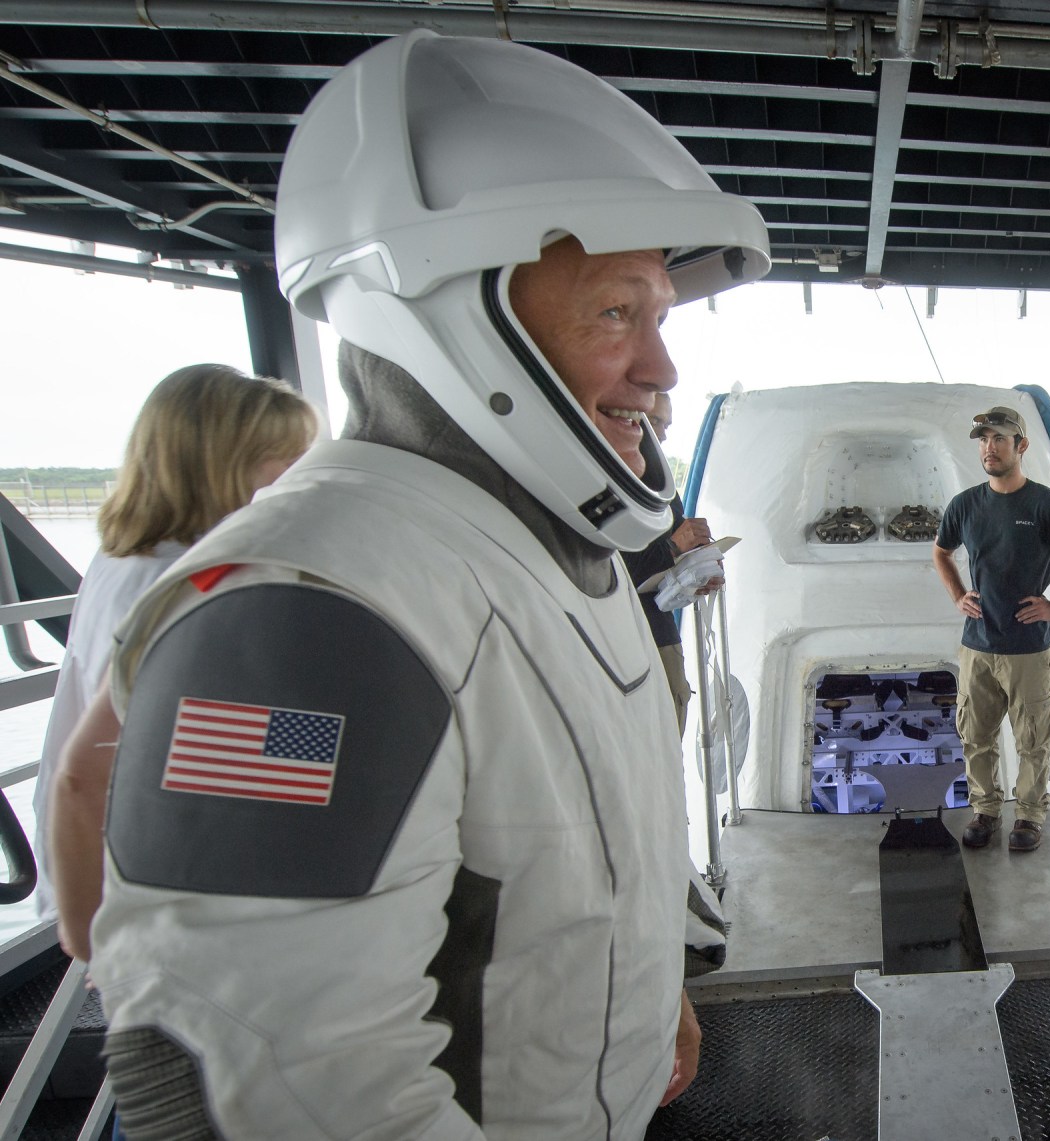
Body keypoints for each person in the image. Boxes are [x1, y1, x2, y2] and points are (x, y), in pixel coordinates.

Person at [81, 30, 770, 1137]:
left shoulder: (534, 552)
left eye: (659, 315)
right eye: (613, 313)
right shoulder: (307, 616)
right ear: (451, 315)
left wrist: (646, 994)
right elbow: (243, 1075)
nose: (661, 368)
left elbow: (552, 863)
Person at [39, 364, 317, 944]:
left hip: (122, 868)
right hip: (151, 886)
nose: (301, 477)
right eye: (285, 458)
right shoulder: (185, 588)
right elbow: (97, 770)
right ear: (218, 462)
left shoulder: (126, 560)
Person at [931, 405, 1050, 851]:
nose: (989, 448)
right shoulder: (965, 505)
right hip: (979, 644)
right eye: (984, 440)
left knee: (1032, 738)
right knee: (976, 735)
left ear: (1020, 446)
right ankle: (985, 810)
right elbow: (941, 552)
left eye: (999, 439)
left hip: (1028, 647)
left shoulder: (1047, 505)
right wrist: (957, 594)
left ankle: (1028, 816)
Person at [620, 391, 719, 738]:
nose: (660, 434)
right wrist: (675, 546)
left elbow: (658, 570)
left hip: (661, 635)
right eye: (654, 421)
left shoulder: (661, 487)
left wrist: (695, 575)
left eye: (664, 424)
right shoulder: (613, 485)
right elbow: (616, 568)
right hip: (631, 643)